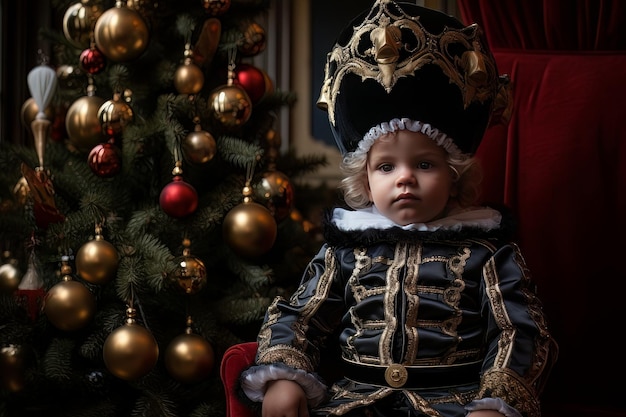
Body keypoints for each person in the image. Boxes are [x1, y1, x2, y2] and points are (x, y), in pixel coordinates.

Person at [239, 1, 558, 416]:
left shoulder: (489, 251)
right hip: (355, 404)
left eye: (424, 164)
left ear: (454, 176)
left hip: (454, 406)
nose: (405, 178)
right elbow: (299, 316)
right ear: (366, 182)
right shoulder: (344, 250)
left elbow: (520, 331)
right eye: (387, 166)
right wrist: (283, 376)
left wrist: (495, 404)